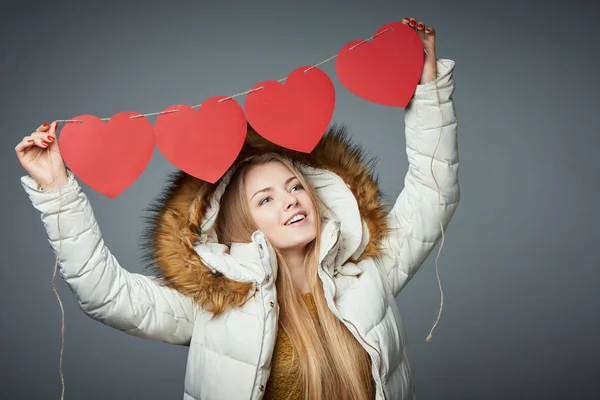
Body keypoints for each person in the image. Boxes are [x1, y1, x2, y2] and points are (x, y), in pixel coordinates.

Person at [15, 17, 459, 400]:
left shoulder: (368, 278)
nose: (290, 201)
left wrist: (426, 85)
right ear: (240, 224)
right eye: (266, 199)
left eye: (295, 187)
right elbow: (104, 293)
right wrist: (57, 190)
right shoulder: (216, 307)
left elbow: (433, 193)